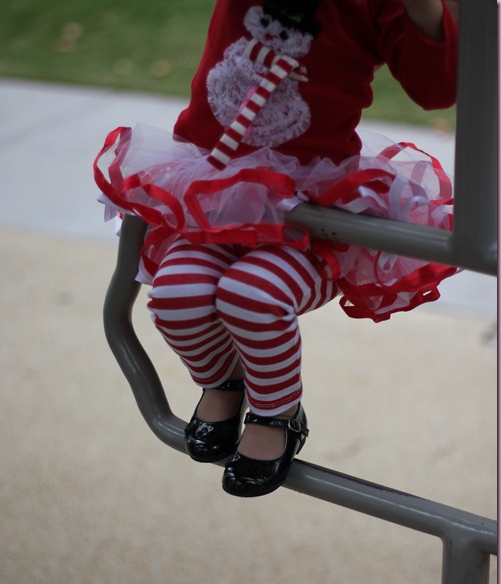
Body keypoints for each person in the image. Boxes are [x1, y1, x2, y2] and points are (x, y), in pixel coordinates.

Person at [94, 0, 459, 498]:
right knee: (177, 295)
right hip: (219, 184)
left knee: (254, 295)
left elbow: (436, 88)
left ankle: (277, 412)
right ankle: (224, 382)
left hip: (308, 206)